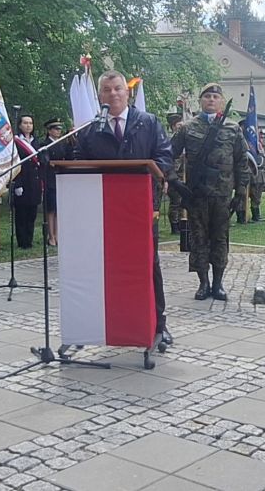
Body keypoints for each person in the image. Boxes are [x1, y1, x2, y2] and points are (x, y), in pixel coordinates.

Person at [75, 70, 174, 343]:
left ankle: (159, 324)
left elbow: (164, 158)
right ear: (100, 96)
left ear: (127, 92)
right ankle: (114, 322)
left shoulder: (148, 122)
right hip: (104, 211)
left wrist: (155, 176)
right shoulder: (92, 128)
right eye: (107, 90)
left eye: (118, 88)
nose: (114, 94)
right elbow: (78, 162)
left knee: (148, 264)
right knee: (111, 266)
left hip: (141, 208)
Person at [170, 82, 248, 301]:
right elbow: (167, 155)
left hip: (222, 195)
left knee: (220, 238)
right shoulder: (187, 128)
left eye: (215, 97)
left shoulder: (232, 128)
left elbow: (242, 161)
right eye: (207, 97)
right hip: (196, 195)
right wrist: (175, 182)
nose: (211, 100)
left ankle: (218, 283)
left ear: (221, 102)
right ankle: (203, 283)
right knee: (198, 238)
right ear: (200, 101)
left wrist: (241, 192)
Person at [41, 117, 73, 246]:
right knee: (51, 209)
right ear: (49, 131)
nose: (58, 131)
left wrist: (71, 142)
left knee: (59, 209)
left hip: (61, 178)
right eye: (55, 129)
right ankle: (51, 235)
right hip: (50, 179)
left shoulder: (62, 143)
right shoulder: (45, 144)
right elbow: (45, 161)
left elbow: (69, 158)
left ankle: (58, 234)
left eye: (60, 129)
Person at [11, 114, 41, 249]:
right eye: (25, 123)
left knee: (32, 213)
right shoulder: (15, 142)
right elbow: (13, 163)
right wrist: (17, 183)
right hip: (22, 181)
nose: (28, 125)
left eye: (30, 123)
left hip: (34, 182)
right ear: (20, 125)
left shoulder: (36, 142)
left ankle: (29, 239)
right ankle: (21, 240)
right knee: (21, 213)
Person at [166, 113, 185, 233]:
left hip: (184, 175)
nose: (181, 127)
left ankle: (181, 222)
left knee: (182, 201)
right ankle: (174, 225)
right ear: (173, 126)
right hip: (174, 176)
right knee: (176, 201)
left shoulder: (184, 138)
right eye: (179, 125)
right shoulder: (170, 141)